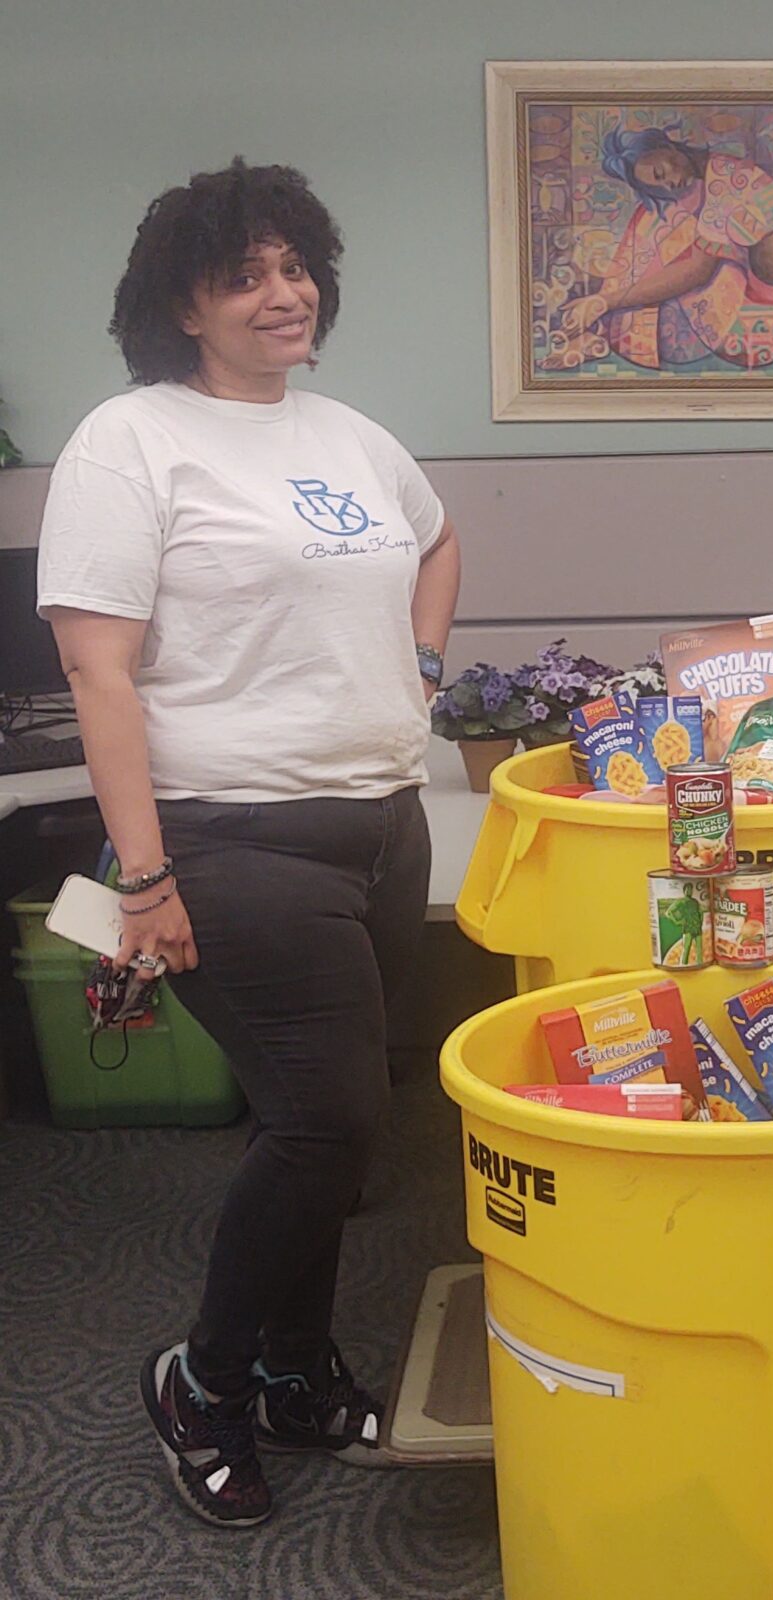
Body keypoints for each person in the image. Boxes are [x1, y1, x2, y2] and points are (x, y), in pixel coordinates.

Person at [37, 158, 462, 1529]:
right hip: (230, 837)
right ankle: (205, 1381)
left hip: (380, 828)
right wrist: (144, 874)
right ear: (185, 303)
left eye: (297, 268)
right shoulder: (133, 440)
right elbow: (101, 673)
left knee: (335, 1124)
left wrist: (422, 672)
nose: (286, 295)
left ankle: (293, 1362)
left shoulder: (348, 436)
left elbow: (436, 539)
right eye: (248, 275)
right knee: (327, 1115)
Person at [550, 126, 773, 372]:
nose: (669, 185)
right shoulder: (718, 166)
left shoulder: (726, 183)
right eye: (657, 187)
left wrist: (605, 301)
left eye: (661, 173)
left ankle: (599, 328)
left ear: (667, 146)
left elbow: (695, 273)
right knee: (654, 224)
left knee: (666, 250)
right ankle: (595, 326)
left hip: (764, 327)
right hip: (767, 306)